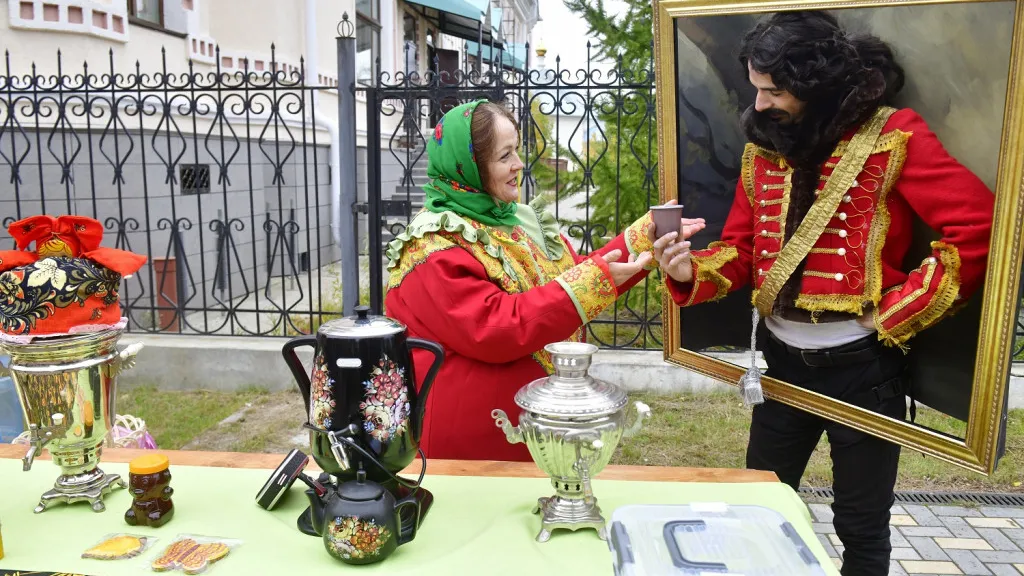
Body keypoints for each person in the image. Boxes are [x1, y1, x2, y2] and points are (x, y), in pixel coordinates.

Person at [652, 12, 993, 576]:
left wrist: (898, 312)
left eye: (774, 91)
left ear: (816, 87)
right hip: (782, 365)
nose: (759, 105)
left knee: (860, 527)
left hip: (865, 370)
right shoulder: (763, 148)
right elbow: (742, 251)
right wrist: (689, 271)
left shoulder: (891, 136)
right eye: (756, 89)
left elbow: (978, 227)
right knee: (756, 506)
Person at [385, 99, 704, 461]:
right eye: (505, 156)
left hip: (530, 427)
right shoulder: (432, 243)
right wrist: (593, 283)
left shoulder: (513, 218)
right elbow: (495, 327)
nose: (519, 165)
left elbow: (567, 275)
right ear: (469, 166)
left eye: (517, 151)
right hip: (471, 446)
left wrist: (645, 238)